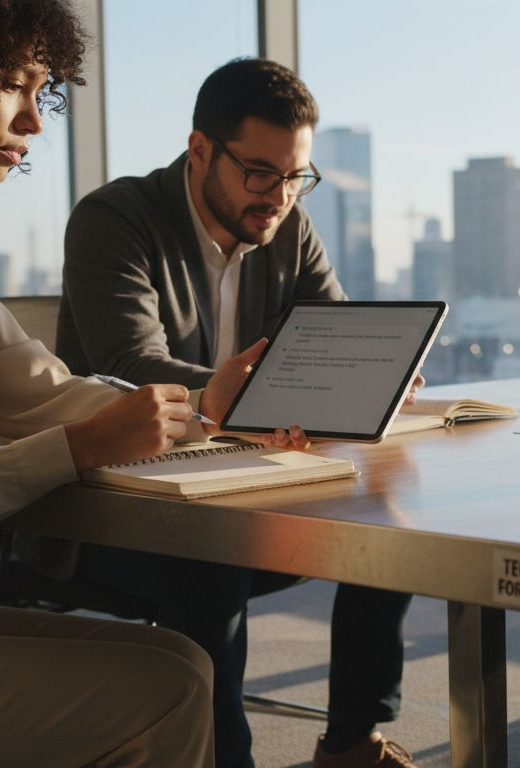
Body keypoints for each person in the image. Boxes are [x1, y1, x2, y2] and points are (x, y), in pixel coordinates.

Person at [0, 1, 294, 764]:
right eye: (12, 85)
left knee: (185, 664)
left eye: (41, 92)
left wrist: (204, 411)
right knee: (167, 694)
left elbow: (39, 389)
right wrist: (74, 449)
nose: (35, 122)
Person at [52, 57, 417, 768]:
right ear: (199, 151)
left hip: (243, 489)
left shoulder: (287, 226)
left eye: (295, 176)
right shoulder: (115, 218)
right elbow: (129, 366)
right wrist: (244, 399)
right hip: (109, 500)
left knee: (390, 523)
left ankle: (351, 746)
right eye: (260, 173)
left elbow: (334, 336)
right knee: (209, 563)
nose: (279, 197)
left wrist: (377, 375)